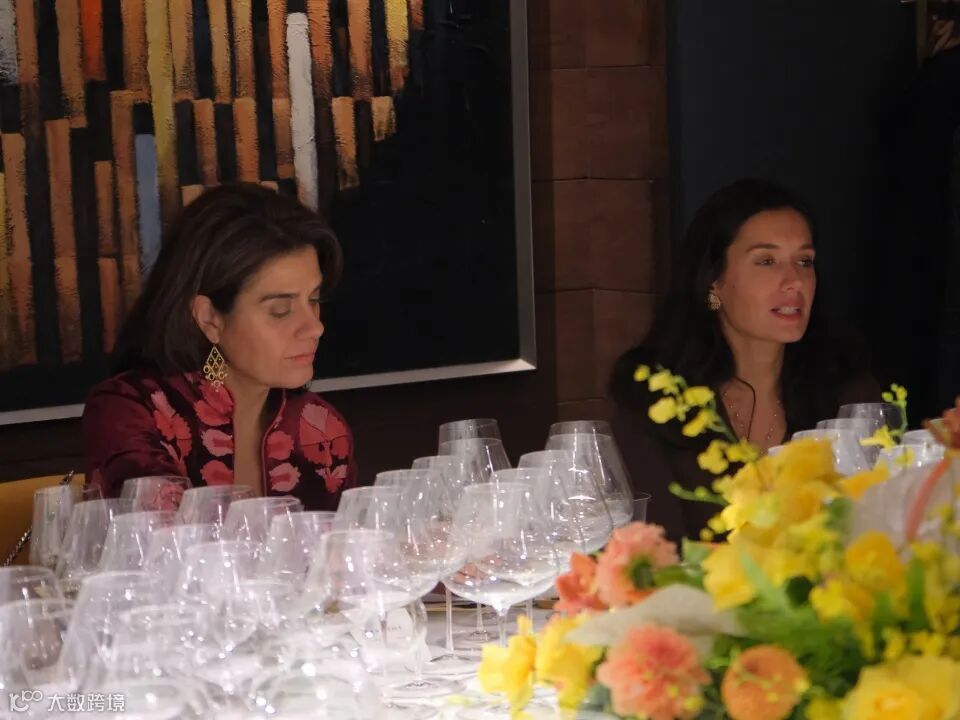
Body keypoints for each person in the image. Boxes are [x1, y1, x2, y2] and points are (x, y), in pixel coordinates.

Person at [610, 178, 877, 541]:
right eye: (766, 261)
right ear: (714, 281)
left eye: (804, 261)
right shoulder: (654, 400)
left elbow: (884, 524)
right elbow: (653, 551)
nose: (794, 281)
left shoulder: (847, 391)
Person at [82, 183, 357, 510]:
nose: (315, 327)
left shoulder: (320, 427)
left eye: (313, 300)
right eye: (280, 311)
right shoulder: (132, 411)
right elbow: (162, 537)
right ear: (209, 318)